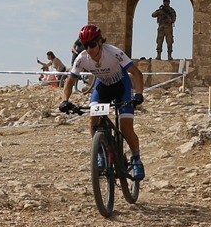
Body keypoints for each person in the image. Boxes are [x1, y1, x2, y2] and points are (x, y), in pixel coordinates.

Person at [58, 23, 147, 180]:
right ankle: (100, 155)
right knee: (94, 122)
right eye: (86, 46)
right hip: (103, 88)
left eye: (92, 44)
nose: (89, 49)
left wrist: (138, 95)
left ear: (100, 42)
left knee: (126, 127)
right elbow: (70, 82)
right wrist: (65, 100)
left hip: (122, 86)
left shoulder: (114, 52)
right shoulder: (82, 58)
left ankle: (136, 159)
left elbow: (136, 74)